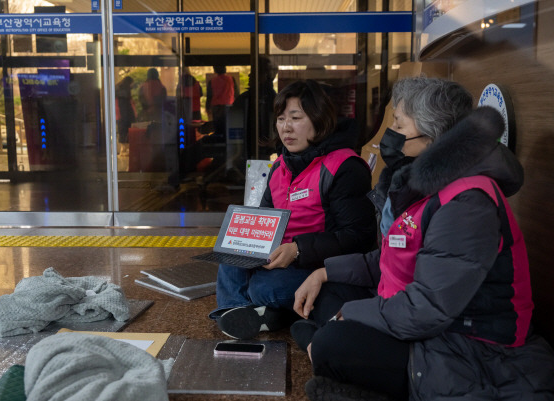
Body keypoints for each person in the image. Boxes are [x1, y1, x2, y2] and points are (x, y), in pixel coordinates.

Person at [291, 76, 554, 401]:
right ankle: (327, 344)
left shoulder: (467, 203)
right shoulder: (429, 182)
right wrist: (324, 272)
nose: (387, 136)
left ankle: (326, 347)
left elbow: (427, 310)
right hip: (422, 319)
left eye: (398, 123)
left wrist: (351, 313)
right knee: (326, 294)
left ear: (431, 138)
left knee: (334, 343)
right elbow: (394, 256)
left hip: (470, 350)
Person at [208, 79, 377, 340]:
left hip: (322, 267)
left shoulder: (344, 167)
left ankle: (261, 312)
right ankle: (235, 314)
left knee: (266, 288)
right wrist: (246, 242)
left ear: (319, 120)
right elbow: (264, 221)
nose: (286, 127)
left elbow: (359, 237)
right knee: (230, 256)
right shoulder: (279, 168)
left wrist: (298, 250)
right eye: (281, 118)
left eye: (295, 117)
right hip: (281, 259)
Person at [205, 65, 237, 138]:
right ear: (225, 70)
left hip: (216, 107)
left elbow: (209, 96)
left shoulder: (212, 81)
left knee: (218, 126)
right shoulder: (231, 79)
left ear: (215, 71)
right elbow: (236, 93)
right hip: (229, 105)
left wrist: (207, 107)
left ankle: (219, 140)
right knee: (228, 125)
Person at [115, 76, 136, 152]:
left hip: (120, 116)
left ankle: (123, 149)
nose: (132, 86)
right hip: (125, 117)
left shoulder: (118, 91)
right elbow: (128, 109)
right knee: (126, 132)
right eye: (131, 83)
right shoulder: (125, 95)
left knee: (122, 131)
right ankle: (124, 150)